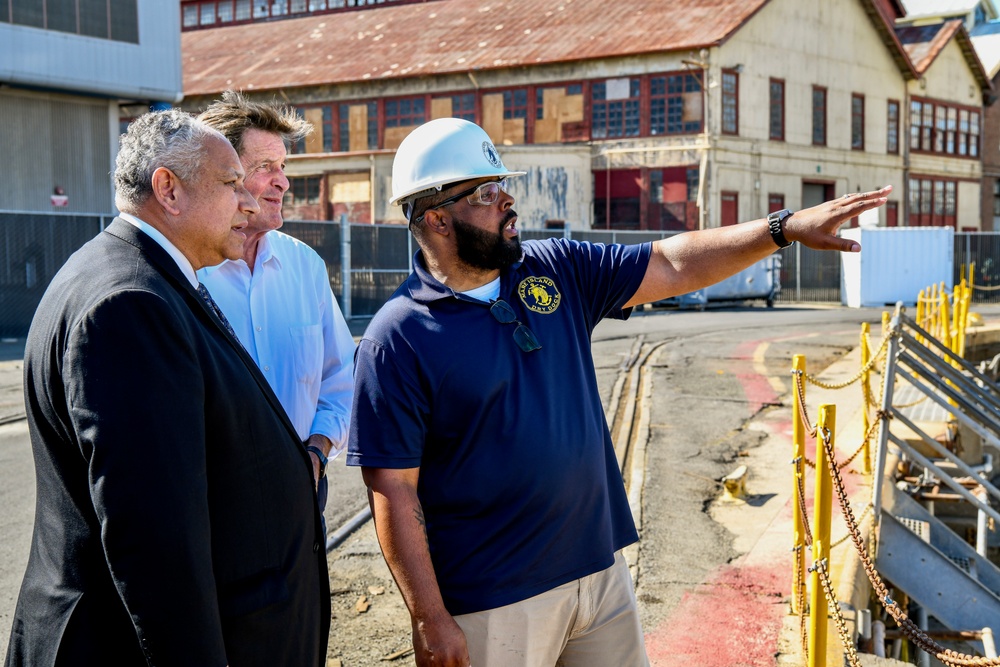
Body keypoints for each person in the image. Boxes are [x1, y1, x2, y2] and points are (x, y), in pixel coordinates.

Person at [346, 117, 890, 667]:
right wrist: (429, 618)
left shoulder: (555, 269)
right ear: (438, 218)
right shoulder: (399, 338)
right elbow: (393, 488)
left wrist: (782, 228)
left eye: (503, 183)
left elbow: (673, 263)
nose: (507, 200)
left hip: (598, 576)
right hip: (494, 600)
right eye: (486, 192)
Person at [6, 110, 330, 666]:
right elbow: (154, 543)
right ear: (168, 189)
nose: (249, 203)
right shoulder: (131, 304)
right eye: (232, 185)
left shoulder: (144, 278)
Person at [197, 92, 355, 525]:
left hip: (302, 503)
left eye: (283, 166)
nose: (282, 181)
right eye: (265, 166)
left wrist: (317, 451)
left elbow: (340, 379)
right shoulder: (187, 273)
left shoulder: (305, 266)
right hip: (213, 515)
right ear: (222, 174)